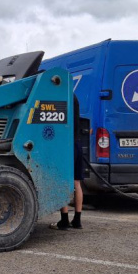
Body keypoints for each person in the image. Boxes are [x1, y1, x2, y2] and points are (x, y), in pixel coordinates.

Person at [51, 95, 83, 230]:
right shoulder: (74, 97)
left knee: (62, 181)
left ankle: (64, 221)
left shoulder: (62, 95)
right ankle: (77, 220)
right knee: (76, 183)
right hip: (77, 143)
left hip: (65, 145)